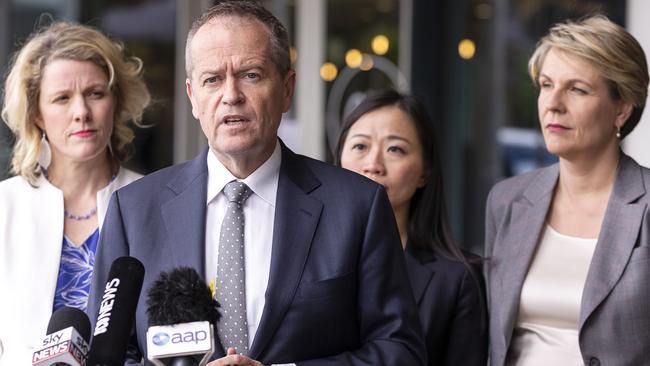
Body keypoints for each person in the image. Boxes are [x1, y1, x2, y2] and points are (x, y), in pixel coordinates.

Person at [88, 1, 425, 365]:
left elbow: (399, 350)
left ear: (286, 88)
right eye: (212, 79)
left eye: (250, 74)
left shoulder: (357, 206)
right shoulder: (134, 211)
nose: (230, 95)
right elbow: (108, 356)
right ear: (193, 98)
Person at [485, 15, 650, 366]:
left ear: (621, 109)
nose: (553, 103)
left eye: (577, 89)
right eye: (546, 85)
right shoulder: (507, 201)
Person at [0, 21, 150, 364]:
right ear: (37, 114)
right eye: (62, 98)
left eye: (95, 93)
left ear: (117, 101)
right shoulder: (4, 208)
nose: (81, 112)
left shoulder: (153, 202)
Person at [336, 89, 487, 366]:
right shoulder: (306, 261)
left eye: (395, 149)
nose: (373, 165)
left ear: (424, 171)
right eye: (360, 146)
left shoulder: (458, 280)